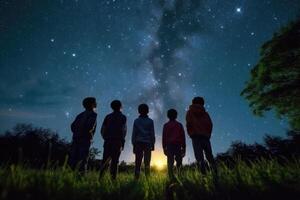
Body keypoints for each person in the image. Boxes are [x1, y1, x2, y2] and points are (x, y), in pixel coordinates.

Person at [186, 97, 216, 174]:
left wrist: (190, 133)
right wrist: (208, 134)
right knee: (209, 156)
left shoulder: (189, 112)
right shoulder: (205, 114)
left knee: (199, 157)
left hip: (195, 136)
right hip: (205, 137)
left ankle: (203, 174)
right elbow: (210, 124)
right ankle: (215, 173)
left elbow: (188, 123)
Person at [99, 100, 127, 180]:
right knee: (115, 161)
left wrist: (105, 137)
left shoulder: (108, 116)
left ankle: (101, 178)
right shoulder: (123, 117)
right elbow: (123, 130)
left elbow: (102, 129)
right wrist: (123, 140)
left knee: (105, 160)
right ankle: (113, 179)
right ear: (121, 106)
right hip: (117, 140)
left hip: (108, 140)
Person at [70, 97, 97, 173]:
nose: (96, 103)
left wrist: (77, 132)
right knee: (83, 158)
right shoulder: (93, 114)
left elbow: (72, 126)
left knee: (74, 158)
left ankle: (72, 174)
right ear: (92, 104)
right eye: (95, 102)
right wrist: (86, 133)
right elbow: (90, 126)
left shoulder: (80, 115)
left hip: (76, 138)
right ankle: (81, 176)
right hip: (85, 139)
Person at [132, 104, 155, 179]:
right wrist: (153, 143)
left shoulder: (136, 121)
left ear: (139, 111)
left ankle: (136, 177)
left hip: (138, 142)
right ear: (148, 111)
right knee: (147, 161)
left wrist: (133, 144)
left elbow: (134, 133)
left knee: (138, 161)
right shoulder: (150, 121)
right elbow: (152, 133)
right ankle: (147, 177)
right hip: (148, 143)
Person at [162, 109, 186, 179]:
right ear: (176, 115)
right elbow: (183, 136)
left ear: (167, 116)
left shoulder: (166, 125)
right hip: (178, 145)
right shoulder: (179, 125)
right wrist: (184, 147)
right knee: (179, 161)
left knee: (170, 162)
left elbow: (164, 137)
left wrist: (164, 147)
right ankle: (180, 176)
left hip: (169, 145)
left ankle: (170, 176)